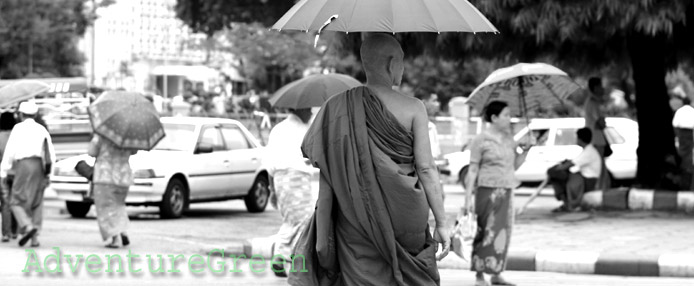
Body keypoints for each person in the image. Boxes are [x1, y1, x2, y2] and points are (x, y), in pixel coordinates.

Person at [290, 33, 449, 286]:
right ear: (391, 64)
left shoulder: (335, 107)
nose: (403, 68)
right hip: (406, 216)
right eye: (402, 61)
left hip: (354, 220)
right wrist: (442, 223)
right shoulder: (414, 107)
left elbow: (326, 169)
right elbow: (427, 169)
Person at [465, 101, 532, 286]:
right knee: (484, 230)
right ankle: (479, 274)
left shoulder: (510, 139)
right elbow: (472, 170)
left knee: (503, 232)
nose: (509, 119)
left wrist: (526, 151)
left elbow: (515, 166)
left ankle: (496, 272)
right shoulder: (480, 140)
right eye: (506, 115)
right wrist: (467, 199)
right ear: (494, 118)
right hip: (486, 192)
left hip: (507, 191)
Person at [264, 108, 318, 277]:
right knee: (304, 219)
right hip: (297, 178)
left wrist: (272, 189)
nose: (310, 113)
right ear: (300, 110)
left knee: (292, 219)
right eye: (308, 109)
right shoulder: (303, 130)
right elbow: (311, 156)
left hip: (279, 179)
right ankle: (285, 255)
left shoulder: (277, 129)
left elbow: (269, 163)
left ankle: (282, 255)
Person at [0, 101, 56, 247]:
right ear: (36, 114)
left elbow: (10, 151)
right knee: (37, 201)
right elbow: (51, 153)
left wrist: (3, 171)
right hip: (39, 166)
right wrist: (50, 174)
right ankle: (35, 238)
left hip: (23, 165)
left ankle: (27, 226)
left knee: (16, 200)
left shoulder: (18, 128)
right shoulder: (42, 129)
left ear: (20, 115)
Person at [88, 133, 137, 248]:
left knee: (105, 208)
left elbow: (91, 152)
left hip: (105, 176)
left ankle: (115, 238)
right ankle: (122, 231)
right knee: (118, 205)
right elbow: (134, 151)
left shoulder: (102, 133)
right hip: (124, 176)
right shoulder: (129, 135)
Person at [549, 128, 601, 212]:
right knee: (559, 175)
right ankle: (568, 203)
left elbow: (570, 164)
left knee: (557, 175)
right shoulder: (588, 150)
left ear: (580, 139)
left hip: (588, 181)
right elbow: (574, 161)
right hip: (587, 178)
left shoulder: (589, 152)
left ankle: (570, 204)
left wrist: (558, 168)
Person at [584, 77, 611, 191]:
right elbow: (600, 122)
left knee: (601, 166)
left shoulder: (595, 102)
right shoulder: (592, 102)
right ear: (595, 88)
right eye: (600, 86)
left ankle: (603, 189)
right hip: (596, 137)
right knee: (598, 166)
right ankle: (600, 190)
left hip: (596, 137)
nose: (603, 88)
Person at [0, 112, 17, 242]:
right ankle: (14, 231)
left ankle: (6, 233)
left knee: (5, 203)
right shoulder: (17, 137)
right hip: (17, 173)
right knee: (16, 201)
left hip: (3, 173)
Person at [671, 95, 694, 190]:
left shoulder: (679, 111)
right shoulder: (692, 111)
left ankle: (684, 169)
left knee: (682, 151)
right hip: (690, 133)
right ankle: (688, 169)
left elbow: (674, 123)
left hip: (681, 133)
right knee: (689, 152)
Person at [415, 93, 442, 159]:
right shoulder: (414, 126)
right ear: (424, 102)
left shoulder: (431, 126)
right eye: (434, 101)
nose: (437, 104)